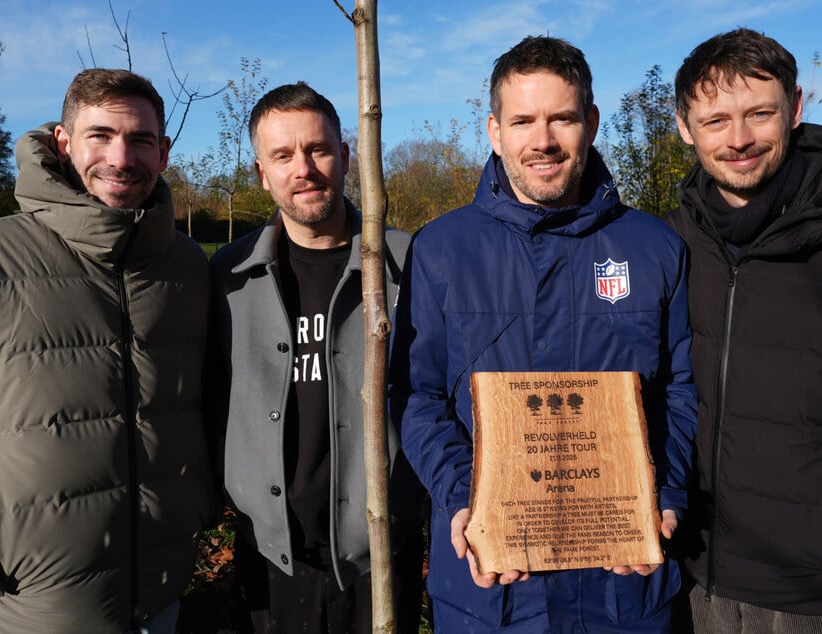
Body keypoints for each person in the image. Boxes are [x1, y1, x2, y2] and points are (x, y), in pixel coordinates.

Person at [0, 68, 218, 633]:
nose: (121, 156)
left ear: (165, 152)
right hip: (19, 611)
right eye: (100, 135)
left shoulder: (187, 268)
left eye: (141, 140)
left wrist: (196, 505)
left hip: (159, 599)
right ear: (63, 141)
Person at [389, 36, 697, 632]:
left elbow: (680, 388)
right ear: (493, 130)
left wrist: (663, 487)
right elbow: (417, 394)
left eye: (563, 118)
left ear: (592, 122)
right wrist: (464, 500)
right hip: (492, 595)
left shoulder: (655, 248)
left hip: (624, 589)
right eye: (523, 120)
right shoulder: (442, 249)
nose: (544, 140)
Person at [205, 81, 425, 633]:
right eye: (282, 155)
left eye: (318, 149)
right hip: (271, 558)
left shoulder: (409, 266)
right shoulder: (228, 278)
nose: (302, 168)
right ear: (262, 172)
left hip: (379, 555)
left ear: (346, 156)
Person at [669, 28, 822, 630]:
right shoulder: (669, 243)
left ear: (797, 108)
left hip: (804, 592)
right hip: (687, 571)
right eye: (715, 121)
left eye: (760, 113)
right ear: (684, 126)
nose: (739, 140)